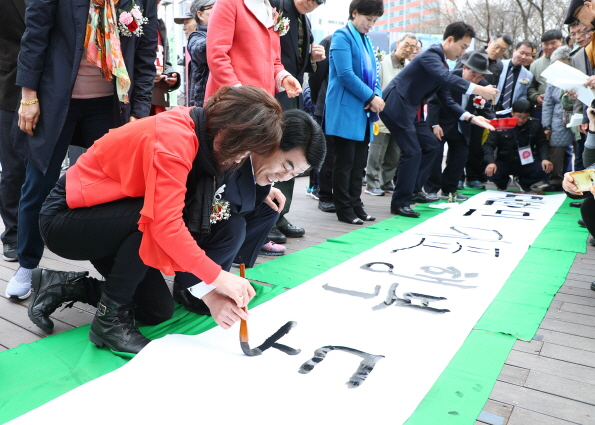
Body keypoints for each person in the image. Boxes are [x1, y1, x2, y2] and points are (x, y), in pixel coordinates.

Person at [28, 86, 286, 354]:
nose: (239, 159)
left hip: (112, 218)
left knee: (156, 311)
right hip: (66, 219)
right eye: (243, 151)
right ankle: (108, 323)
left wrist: (209, 294)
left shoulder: (203, 132)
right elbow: (165, 225)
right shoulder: (176, 139)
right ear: (230, 133)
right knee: (152, 220)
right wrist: (217, 276)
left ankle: (63, 286)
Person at [7, 0, 158, 300]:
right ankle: (27, 263)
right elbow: (35, 34)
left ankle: (108, 264)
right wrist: (28, 95)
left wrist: (140, 110)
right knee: (38, 183)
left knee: (115, 187)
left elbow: (145, 50)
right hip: (55, 98)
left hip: (110, 104)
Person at [172, 108, 326, 314]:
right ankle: (193, 285)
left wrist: (267, 188)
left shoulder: (262, 168)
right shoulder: (230, 153)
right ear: (270, 142)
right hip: (181, 224)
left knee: (269, 208)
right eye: (285, 165)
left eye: (295, 174)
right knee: (234, 226)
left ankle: (232, 269)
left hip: (215, 211)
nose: (284, 177)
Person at [380, 21, 497, 218]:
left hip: (412, 111)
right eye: (463, 46)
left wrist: (471, 118)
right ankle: (400, 202)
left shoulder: (441, 64)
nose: (463, 52)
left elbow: (447, 100)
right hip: (397, 106)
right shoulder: (431, 55)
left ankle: (415, 190)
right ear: (450, 40)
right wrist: (480, 90)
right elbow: (448, 80)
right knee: (412, 152)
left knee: (432, 146)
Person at [266, 0, 326, 246]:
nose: (312, 3)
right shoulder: (276, 7)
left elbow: (299, 61)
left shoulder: (305, 20)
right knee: (273, 155)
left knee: (293, 157)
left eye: (318, 2)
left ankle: (281, 216)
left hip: (293, 95)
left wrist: (312, 57)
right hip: (272, 92)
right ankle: (266, 219)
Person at [324, 0, 385, 225]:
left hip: (363, 110)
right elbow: (345, 74)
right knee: (345, 161)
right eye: (368, 19)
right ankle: (343, 208)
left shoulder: (366, 40)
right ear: (354, 12)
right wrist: (371, 97)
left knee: (359, 162)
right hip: (346, 109)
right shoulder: (342, 36)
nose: (371, 25)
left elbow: (374, 75)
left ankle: (356, 205)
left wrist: (376, 95)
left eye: (374, 21)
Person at [425, 52, 496, 202]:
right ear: (464, 67)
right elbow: (433, 101)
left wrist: (495, 122)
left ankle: (450, 190)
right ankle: (431, 190)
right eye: (473, 74)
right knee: (435, 157)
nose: (476, 79)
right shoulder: (449, 78)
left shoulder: (482, 86)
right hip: (442, 124)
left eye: (480, 76)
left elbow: (484, 108)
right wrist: (434, 124)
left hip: (463, 126)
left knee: (459, 158)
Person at [204, 0, 302, 101]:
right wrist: (236, 91)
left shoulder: (271, 11)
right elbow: (217, 55)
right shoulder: (229, 3)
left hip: (262, 103)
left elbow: (274, 61)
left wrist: (283, 77)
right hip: (231, 102)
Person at [364, 34, 417, 197]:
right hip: (381, 116)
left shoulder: (409, 66)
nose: (408, 50)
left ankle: (386, 182)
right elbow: (375, 86)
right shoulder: (383, 62)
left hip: (400, 118)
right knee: (377, 153)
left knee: (394, 154)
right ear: (398, 43)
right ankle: (372, 183)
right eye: (406, 45)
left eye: (412, 47)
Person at [0, 0, 26, 262]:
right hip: (7, 86)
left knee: (44, 164)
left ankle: (37, 228)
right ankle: (12, 234)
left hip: (49, 86)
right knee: (12, 166)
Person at [483, 99, 553, 191]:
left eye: (525, 117)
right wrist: (491, 162)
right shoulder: (501, 124)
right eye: (518, 116)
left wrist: (545, 159)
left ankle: (523, 182)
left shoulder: (535, 124)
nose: (521, 120)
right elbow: (489, 145)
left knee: (546, 168)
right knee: (487, 170)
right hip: (505, 161)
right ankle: (503, 182)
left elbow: (542, 143)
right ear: (512, 113)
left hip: (526, 162)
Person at [540, 46, 575, 192]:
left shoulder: (577, 74)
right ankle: (555, 179)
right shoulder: (552, 80)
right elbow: (547, 102)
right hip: (557, 118)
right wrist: (546, 125)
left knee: (579, 151)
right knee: (556, 150)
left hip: (577, 115)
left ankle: (578, 180)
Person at [309, 34, 336, 213]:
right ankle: (321, 192)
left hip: (344, 109)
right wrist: (319, 98)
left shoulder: (363, 42)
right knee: (326, 153)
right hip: (325, 106)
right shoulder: (329, 40)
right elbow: (316, 75)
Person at [151, 0, 181, 115]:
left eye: (157, 2)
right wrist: (148, 74)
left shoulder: (160, 26)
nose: (154, 5)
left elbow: (166, 62)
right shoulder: (132, 24)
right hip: (138, 95)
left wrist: (172, 75)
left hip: (159, 95)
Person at [528, 29, 563, 119]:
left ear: (561, 42)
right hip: (542, 110)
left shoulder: (571, 60)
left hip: (565, 109)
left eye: (553, 43)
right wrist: (536, 97)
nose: (549, 47)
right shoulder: (535, 65)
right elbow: (530, 87)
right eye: (546, 44)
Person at [187, 0, 216, 107]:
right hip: (206, 107)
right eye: (215, 7)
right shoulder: (196, 37)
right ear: (200, 15)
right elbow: (202, 50)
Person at [494, 40, 535, 112]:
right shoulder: (499, 65)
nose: (523, 57)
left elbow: (523, 94)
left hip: (510, 112)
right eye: (521, 53)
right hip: (492, 108)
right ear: (514, 51)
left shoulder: (528, 75)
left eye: (527, 55)